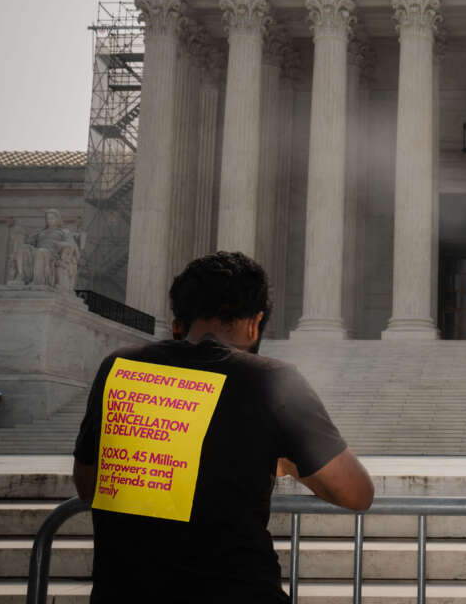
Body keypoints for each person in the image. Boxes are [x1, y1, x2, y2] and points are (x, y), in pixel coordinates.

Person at [72, 251, 373, 603]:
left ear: (177, 323)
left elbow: (89, 485)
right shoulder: (271, 381)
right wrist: (287, 464)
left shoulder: (120, 367)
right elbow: (356, 492)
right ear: (253, 323)